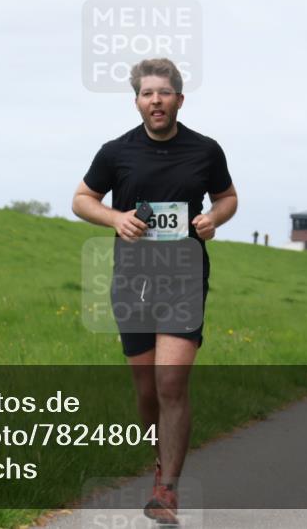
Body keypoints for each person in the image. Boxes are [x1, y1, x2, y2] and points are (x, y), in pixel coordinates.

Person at [72, 57, 237, 524]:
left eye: (164, 93)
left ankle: (167, 489)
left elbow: (227, 198)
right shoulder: (116, 152)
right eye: (147, 94)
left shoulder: (205, 151)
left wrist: (213, 219)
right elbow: (82, 199)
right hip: (133, 280)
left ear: (179, 100)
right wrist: (115, 218)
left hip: (184, 277)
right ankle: (159, 462)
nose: (156, 100)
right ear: (137, 102)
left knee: (171, 381)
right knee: (146, 389)